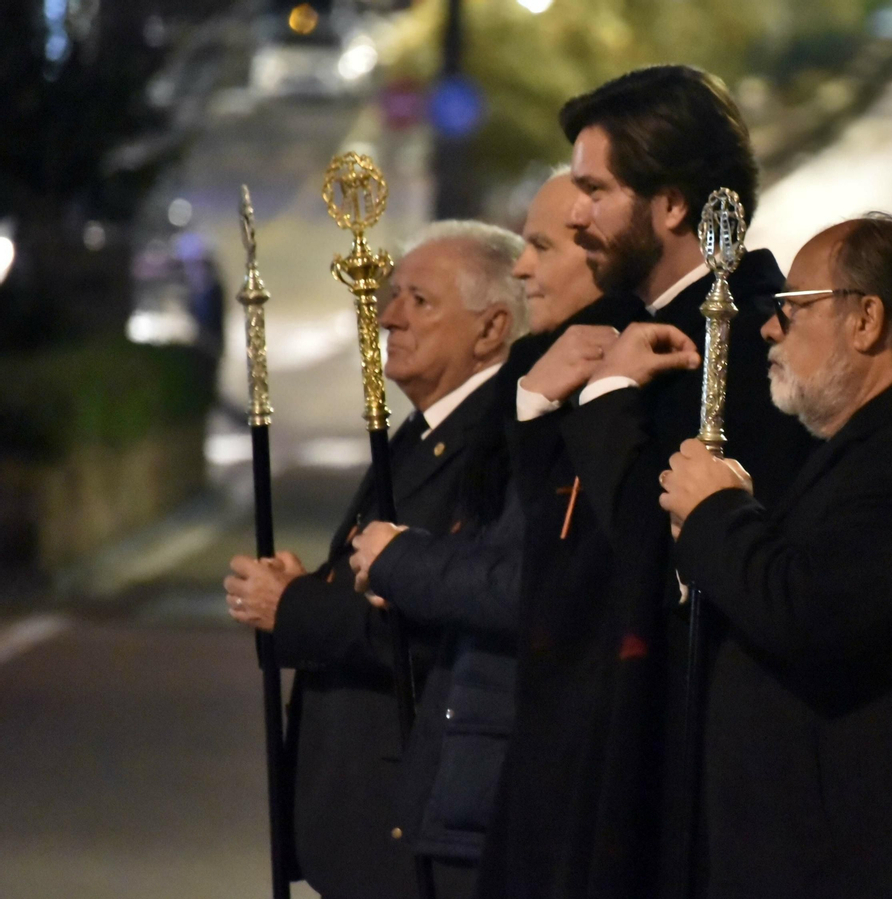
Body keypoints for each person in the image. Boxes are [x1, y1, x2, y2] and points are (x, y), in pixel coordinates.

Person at [505, 64, 817, 897]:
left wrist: (608, 396)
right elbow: (544, 540)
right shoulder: (611, 329)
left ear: (672, 205)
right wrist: (536, 402)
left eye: (595, 190)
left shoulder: (752, 340)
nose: (575, 214)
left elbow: (659, 552)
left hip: (666, 762)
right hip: (579, 747)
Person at [657, 214, 892, 898]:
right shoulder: (874, 448)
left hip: (863, 863)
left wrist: (718, 515)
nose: (769, 327)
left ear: (866, 320)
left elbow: (810, 615)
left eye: (792, 308)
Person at [345, 173, 643, 899]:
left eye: (542, 246)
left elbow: (529, 576)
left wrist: (400, 563)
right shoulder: (533, 381)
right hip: (476, 758)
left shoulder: (610, 386)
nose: (523, 266)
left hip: (522, 766)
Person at [224, 221, 525, 899]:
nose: (390, 316)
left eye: (420, 301)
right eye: (393, 297)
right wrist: (310, 587)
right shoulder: (423, 430)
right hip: (362, 819)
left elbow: (445, 616)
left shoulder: (494, 442)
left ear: (491, 328)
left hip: (415, 820)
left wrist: (295, 607)